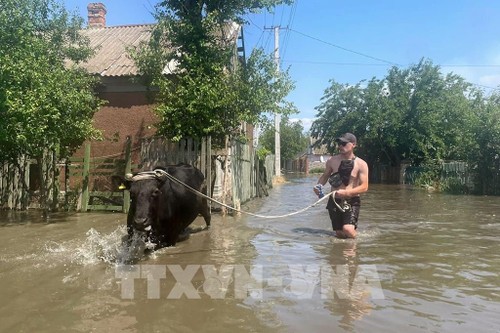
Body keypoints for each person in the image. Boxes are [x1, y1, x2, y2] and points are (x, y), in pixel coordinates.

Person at [313, 133, 369, 238]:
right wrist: (318, 186)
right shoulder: (331, 161)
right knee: (339, 233)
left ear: (353, 144)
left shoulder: (361, 164)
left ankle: (354, 248)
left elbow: (364, 187)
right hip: (334, 200)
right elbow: (325, 176)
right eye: (339, 143)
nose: (340, 146)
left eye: (344, 143)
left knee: (347, 229)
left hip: (351, 201)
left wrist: (347, 192)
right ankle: (341, 252)